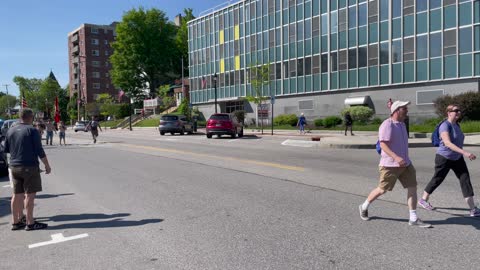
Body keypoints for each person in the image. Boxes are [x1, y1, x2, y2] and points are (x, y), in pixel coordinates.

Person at [359, 101, 431, 228]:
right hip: (390, 165)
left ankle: (413, 218)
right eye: (404, 108)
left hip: (406, 164)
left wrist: (402, 159)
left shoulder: (402, 124)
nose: (407, 110)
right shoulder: (387, 125)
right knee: (382, 190)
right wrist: (396, 157)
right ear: (397, 110)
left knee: (412, 188)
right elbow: (383, 144)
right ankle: (364, 206)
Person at [418, 105, 480, 216]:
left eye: (459, 110)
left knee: (465, 179)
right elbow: (447, 143)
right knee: (438, 179)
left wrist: (460, 153)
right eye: (455, 110)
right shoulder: (444, 125)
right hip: (444, 158)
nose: (458, 112)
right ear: (448, 113)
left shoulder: (457, 125)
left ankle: (473, 209)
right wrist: (465, 152)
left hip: (457, 158)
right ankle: (423, 200)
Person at [5, 108, 51, 231]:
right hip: (29, 167)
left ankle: (15, 222)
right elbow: (39, 150)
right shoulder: (32, 130)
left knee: (16, 195)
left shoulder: (11, 130)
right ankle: (30, 223)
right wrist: (47, 165)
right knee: (29, 195)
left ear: (20, 117)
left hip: (14, 166)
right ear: (30, 117)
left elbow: (7, 149)